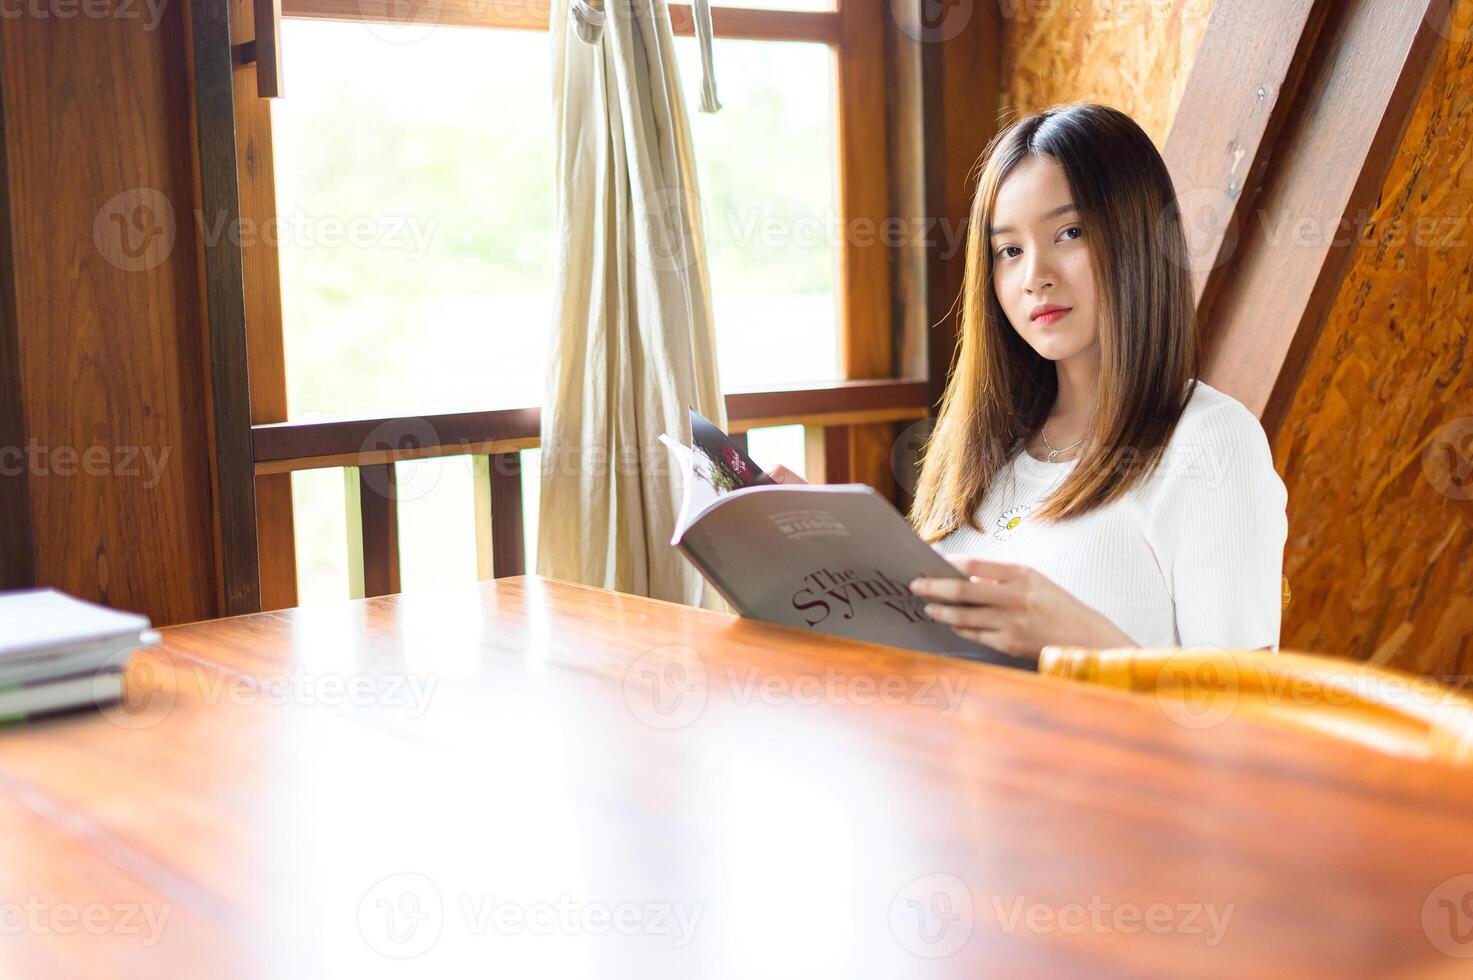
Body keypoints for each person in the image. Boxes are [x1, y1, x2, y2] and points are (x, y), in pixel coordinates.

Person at [774, 103, 1288, 663]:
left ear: (1140, 238)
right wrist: (841, 558)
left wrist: (1083, 644)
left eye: (1069, 233)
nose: (1034, 276)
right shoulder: (987, 438)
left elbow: (1242, 723)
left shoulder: (1209, 441)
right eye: (1009, 251)